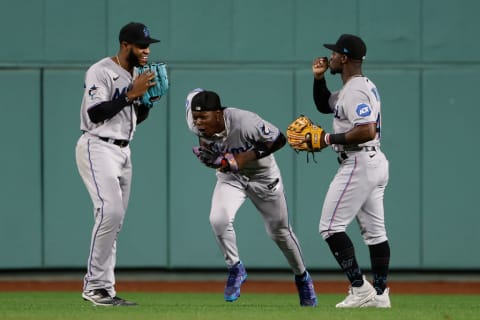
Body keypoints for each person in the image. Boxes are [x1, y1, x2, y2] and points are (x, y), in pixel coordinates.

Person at [185, 89, 318, 307]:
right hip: (231, 177)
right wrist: (213, 159)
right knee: (218, 219)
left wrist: (243, 157)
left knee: (279, 232)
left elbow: (279, 139)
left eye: (203, 117)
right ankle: (235, 268)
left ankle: (302, 277)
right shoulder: (194, 122)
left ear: (218, 114)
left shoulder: (245, 121)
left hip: (263, 177)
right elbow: (194, 102)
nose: (198, 122)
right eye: (195, 117)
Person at [75, 22, 162, 306]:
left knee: (114, 221)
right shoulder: (100, 71)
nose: (146, 51)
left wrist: (147, 103)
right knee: (108, 212)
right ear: (125, 45)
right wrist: (129, 95)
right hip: (97, 145)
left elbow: (134, 117)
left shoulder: (136, 73)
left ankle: (105, 289)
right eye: (141, 46)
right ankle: (93, 287)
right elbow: (96, 112)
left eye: (148, 46)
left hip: (124, 151)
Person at [311, 34, 391, 308]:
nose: (330, 57)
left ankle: (360, 288)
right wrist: (319, 78)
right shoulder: (355, 87)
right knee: (375, 233)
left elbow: (365, 130)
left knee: (330, 227)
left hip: (359, 161)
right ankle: (380, 294)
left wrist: (327, 139)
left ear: (344, 58)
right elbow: (324, 105)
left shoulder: (355, 89)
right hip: (373, 162)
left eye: (334, 54)